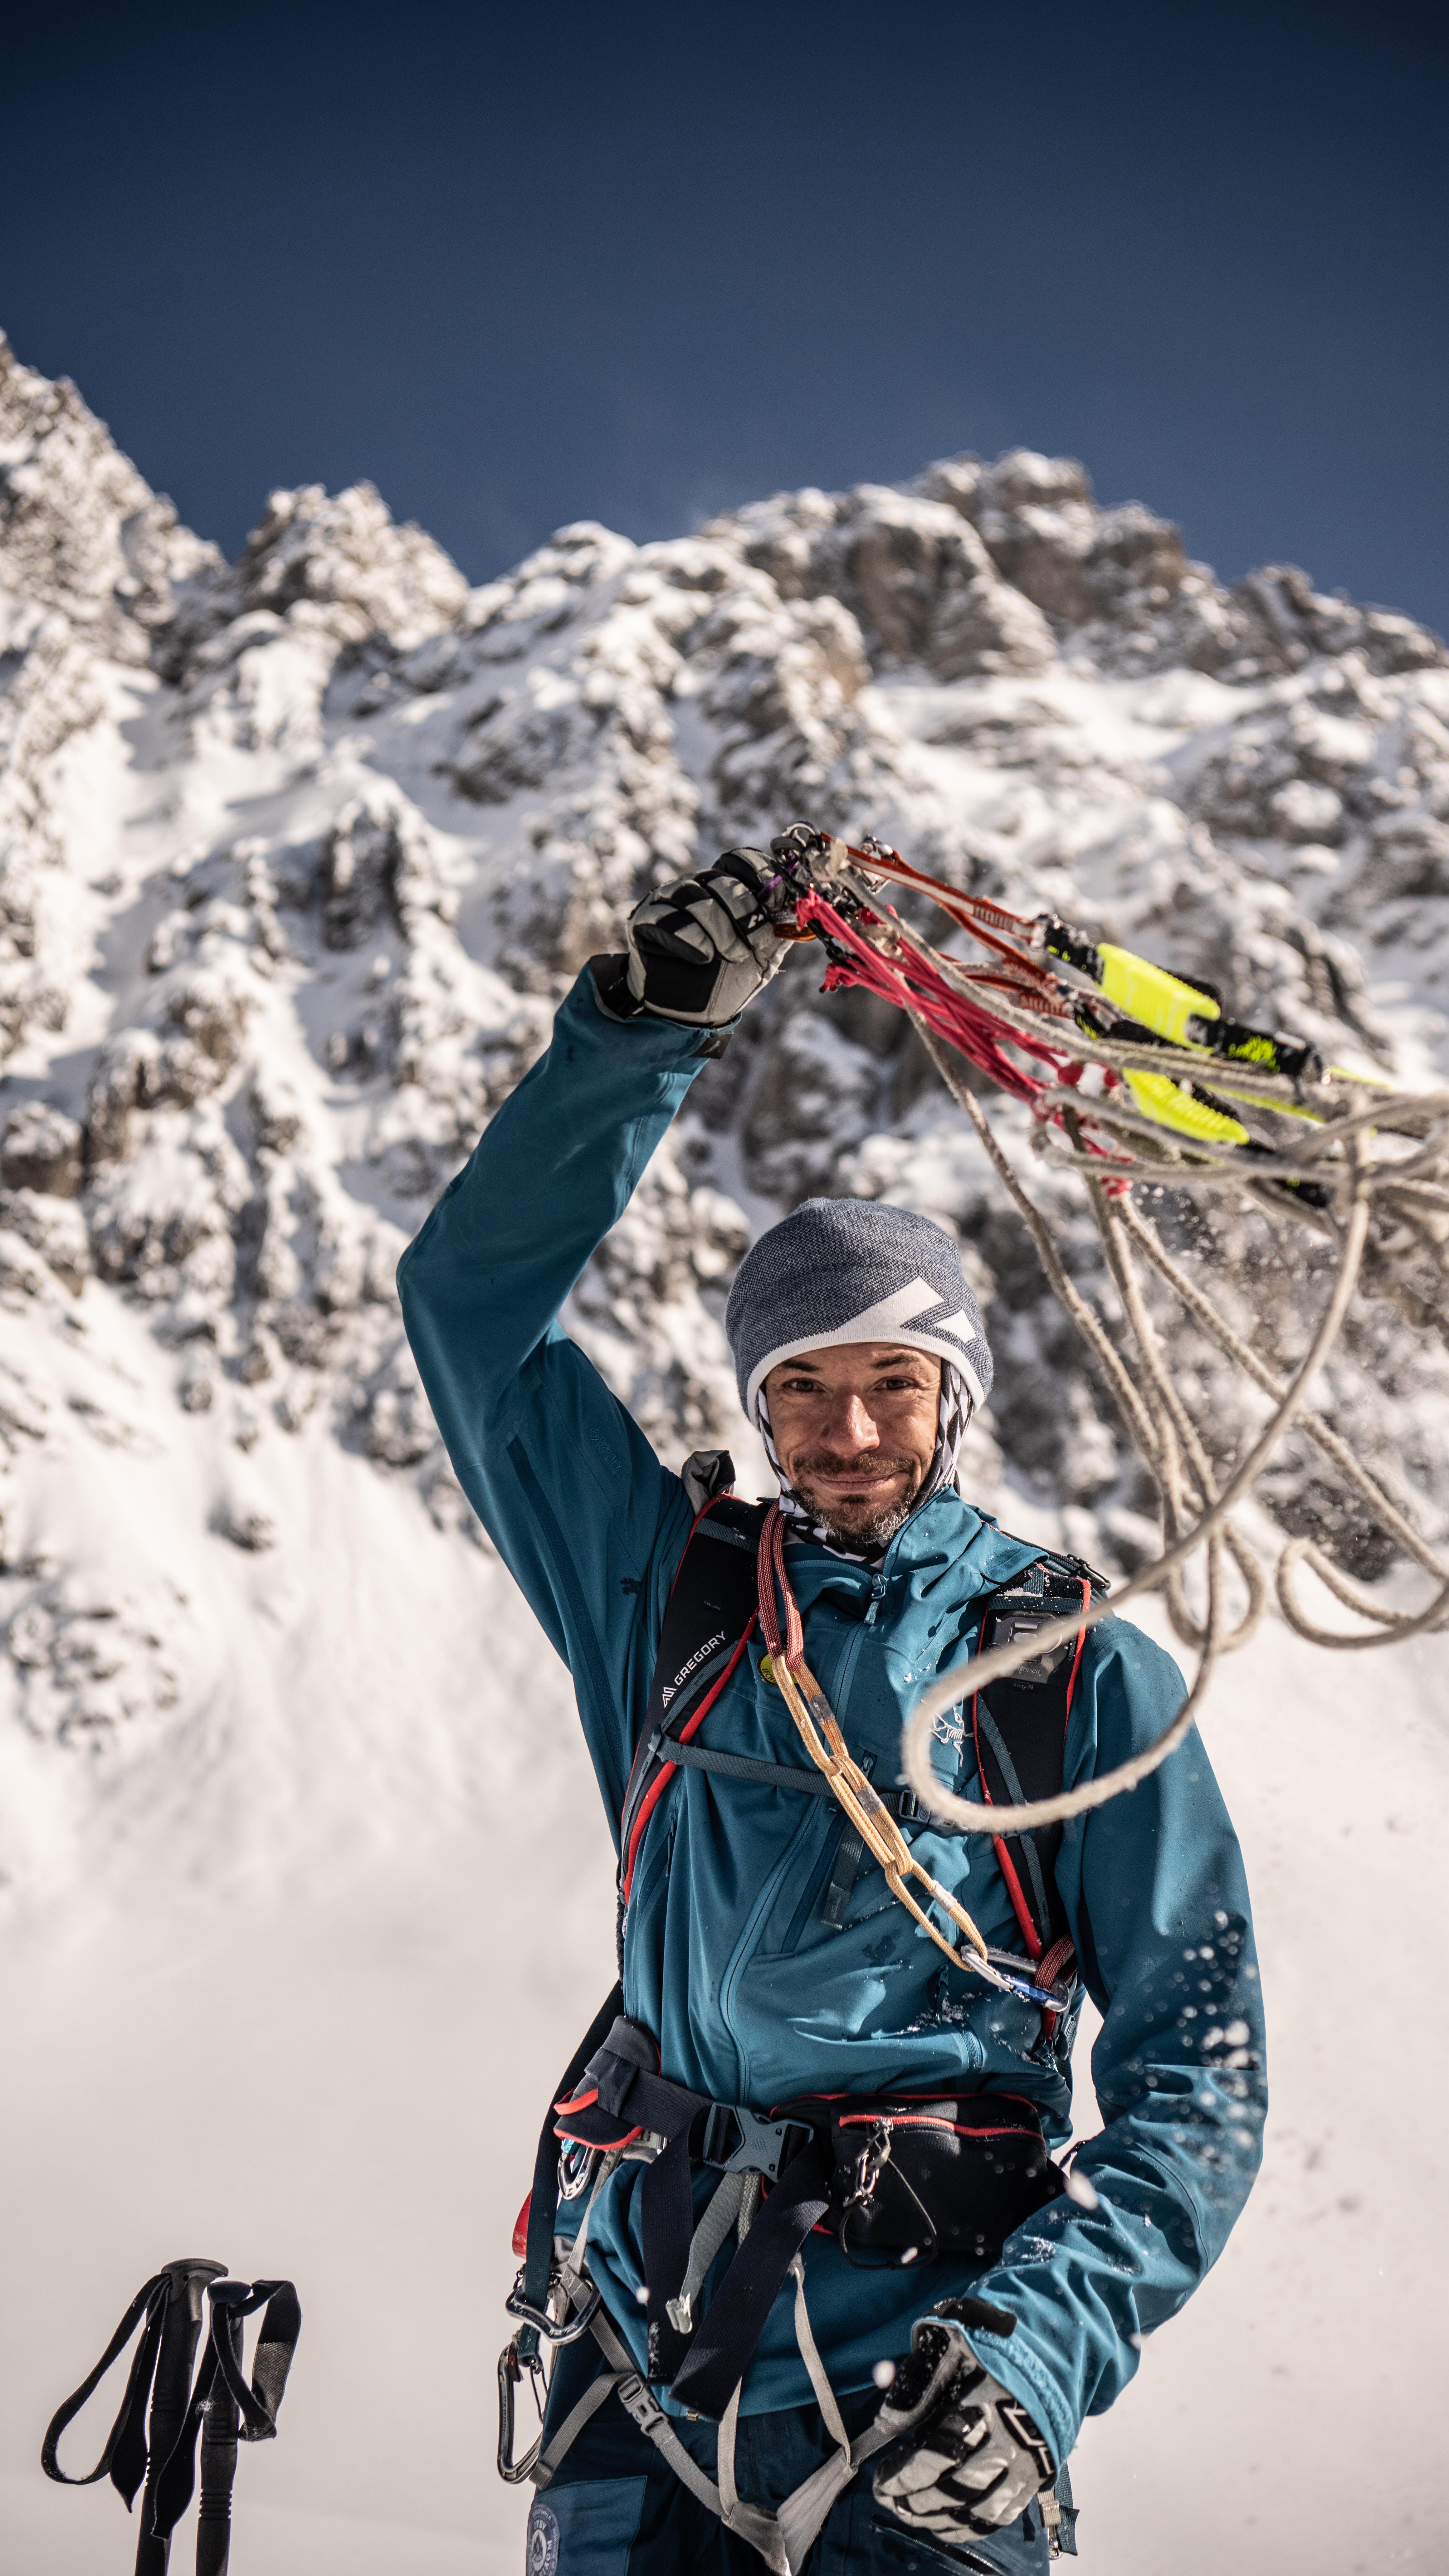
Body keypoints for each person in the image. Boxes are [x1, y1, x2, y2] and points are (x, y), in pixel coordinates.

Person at [398, 846, 1266, 2576]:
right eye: (803, 1387)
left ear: (957, 1397)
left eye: (892, 1382)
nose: (849, 1431)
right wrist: (638, 1032)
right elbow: (469, 1314)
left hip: (929, 2393)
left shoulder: (1073, 1673)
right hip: (639, 2361)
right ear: (759, 1406)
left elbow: (1199, 2076)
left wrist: (1038, 2358)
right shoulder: (668, 1596)